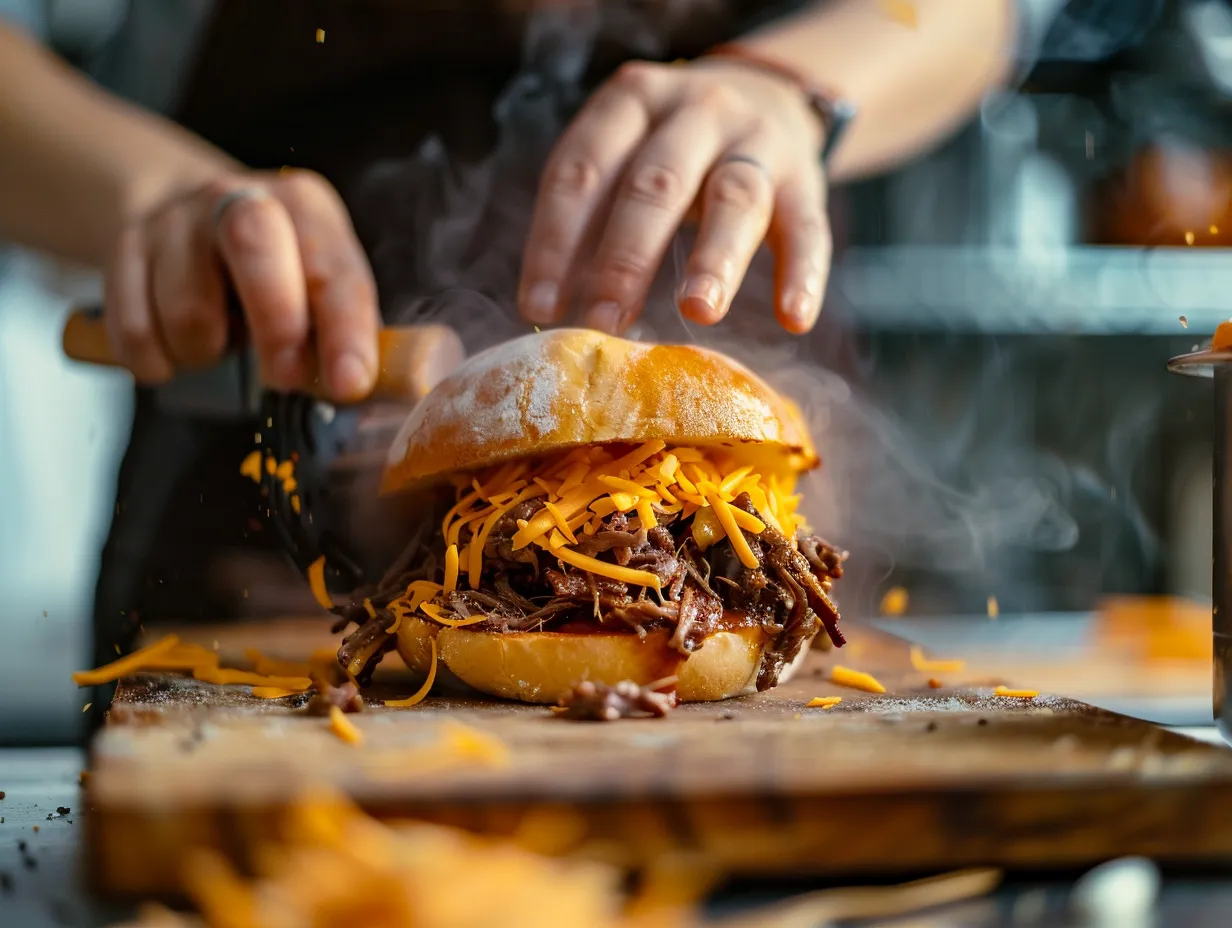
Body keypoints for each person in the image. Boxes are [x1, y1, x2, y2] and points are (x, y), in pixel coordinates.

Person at [0, 0, 1067, 696]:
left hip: (755, 348)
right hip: (250, 499)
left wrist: (788, 86)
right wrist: (142, 186)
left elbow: (987, 16)